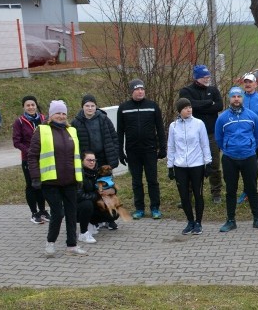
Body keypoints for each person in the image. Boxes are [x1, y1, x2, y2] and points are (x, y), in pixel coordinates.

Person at [28, 100, 87, 257]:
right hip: (50, 182)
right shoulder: (42, 130)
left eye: (63, 113)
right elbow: (32, 156)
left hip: (70, 181)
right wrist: (35, 177)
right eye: (57, 113)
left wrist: (79, 177)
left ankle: (72, 246)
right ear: (51, 115)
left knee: (71, 213)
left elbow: (77, 156)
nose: (61, 116)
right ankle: (50, 243)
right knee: (58, 212)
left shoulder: (71, 131)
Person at [215, 87, 258, 232]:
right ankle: (231, 220)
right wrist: (228, 148)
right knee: (231, 190)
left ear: (242, 98)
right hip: (229, 158)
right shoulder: (222, 118)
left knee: (252, 189)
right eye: (234, 96)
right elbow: (219, 138)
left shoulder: (252, 116)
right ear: (229, 99)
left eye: (239, 96)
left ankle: (257, 219)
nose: (236, 99)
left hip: (249, 157)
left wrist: (250, 147)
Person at [117, 79, 166, 220]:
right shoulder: (124, 108)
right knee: (136, 182)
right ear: (132, 91)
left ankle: (155, 208)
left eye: (142, 89)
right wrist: (120, 152)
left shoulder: (152, 106)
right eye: (137, 89)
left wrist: (162, 147)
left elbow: (160, 128)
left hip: (150, 150)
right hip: (132, 151)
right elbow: (120, 132)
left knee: (152, 180)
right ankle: (139, 208)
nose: (140, 92)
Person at [179, 64, 224, 204]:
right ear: (196, 77)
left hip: (211, 134)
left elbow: (219, 106)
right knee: (191, 165)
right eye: (204, 77)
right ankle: (189, 194)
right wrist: (208, 104)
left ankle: (216, 192)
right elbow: (188, 105)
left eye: (208, 77)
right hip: (192, 135)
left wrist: (199, 106)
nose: (207, 79)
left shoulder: (213, 90)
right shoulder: (186, 90)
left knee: (214, 165)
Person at [167, 97, 211, 235]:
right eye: (185, 108)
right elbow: (171, 146)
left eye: (190, 107)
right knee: (184, 196)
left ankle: (198, 222)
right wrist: (170, 166)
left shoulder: (199, 124)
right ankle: (190, 221)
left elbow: (205, 144)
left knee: (198, 194)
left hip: (196, 164)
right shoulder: (173, 126)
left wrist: (207, 162)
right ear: (180, 111)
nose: (189, 109)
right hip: (180, 166)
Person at [12, 95, 48, 224]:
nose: (31, 107)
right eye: (28, 105)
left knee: (42, 185)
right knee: (32, 185)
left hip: (43, 159)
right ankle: (34, 213)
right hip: (28, 159)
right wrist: (30, 151)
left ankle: (43, 210)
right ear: (24, 107)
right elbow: (17, 142)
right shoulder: (19, 122)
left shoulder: (44, 119)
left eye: (33, 105)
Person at [237, 72, 258, 205]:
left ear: (256, 83)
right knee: (248, 167)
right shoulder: (239, 98)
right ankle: (248, 191)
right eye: (246, 82)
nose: (248, 84)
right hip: (244, 139)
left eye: (250, 82)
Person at [71, 94, 119, 169]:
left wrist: (115, 153)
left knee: (105, 180)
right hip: (87, 161)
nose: (90, 108)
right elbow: (73, 143)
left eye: (92, 106)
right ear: (82, 107)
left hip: (104, 159)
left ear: (96, 106)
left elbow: (114, 137)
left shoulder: (104, 119)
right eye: (87, 106)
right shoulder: (76, 123)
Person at [76, 151, 101, 244]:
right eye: (89, 160)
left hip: (92, 199)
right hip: (76, 206)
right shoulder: (78, 174)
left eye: (94, 160)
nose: (92, 162)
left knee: (112, 210)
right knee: (87, 204)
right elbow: (79, 195)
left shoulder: (98, 172)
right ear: (82, 161)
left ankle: (93, 223)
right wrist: (98, 195)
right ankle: (83, 233)